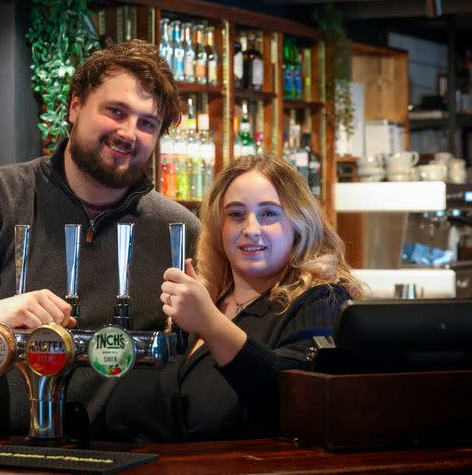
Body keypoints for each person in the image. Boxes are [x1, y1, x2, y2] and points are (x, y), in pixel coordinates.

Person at [0, 39, 200, 437]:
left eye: (147, 124)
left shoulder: (178, 230)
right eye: (116, 111)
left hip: (121, 459)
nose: (129, 133)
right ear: (75, 107)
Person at [105, 154, 364, 442]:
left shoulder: (322, 300)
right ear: (219, 229)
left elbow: (293, 397)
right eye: (236, 214)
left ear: (298, 223)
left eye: (269, 214)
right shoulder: (208, 299)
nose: (251, 230)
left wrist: (211, 324)